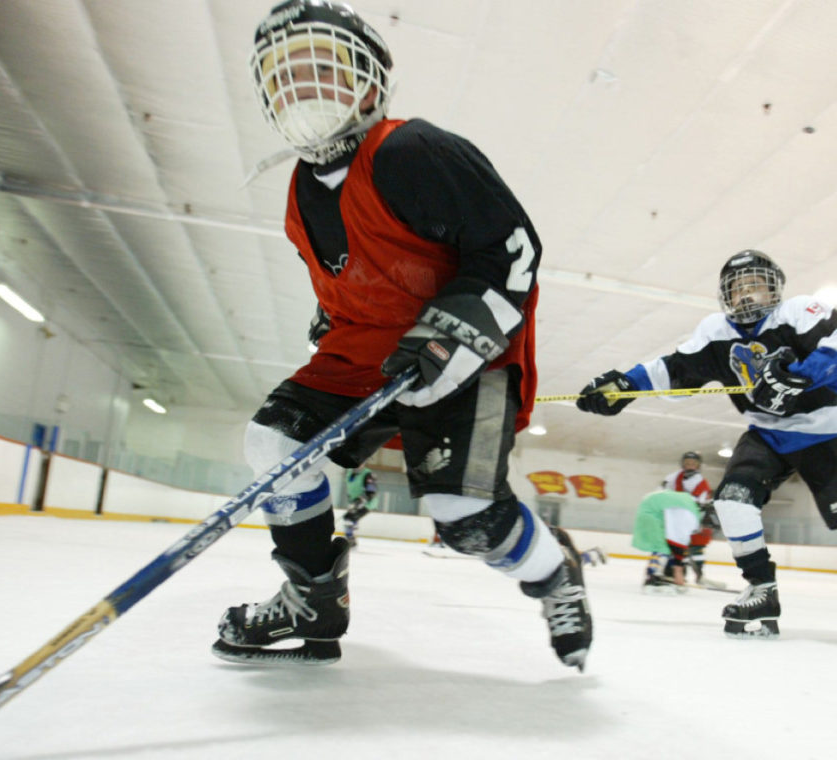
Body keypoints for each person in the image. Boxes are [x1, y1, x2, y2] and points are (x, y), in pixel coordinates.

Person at [212, 0, 591, 671]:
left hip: (470, 355)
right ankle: (311, 600)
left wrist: (450, 336)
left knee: (465, 518)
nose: (305, 86)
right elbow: (355, 284)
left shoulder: (412, 151)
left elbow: (513, 251)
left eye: (323, 67)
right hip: (368, 352)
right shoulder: (300, 196)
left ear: (368, 81)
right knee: (275, 442)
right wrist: (329, 319)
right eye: (287, 73)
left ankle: (554, 573)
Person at [575, 249, 837, 646]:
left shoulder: (799, 312)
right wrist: (624, 386)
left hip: (824, 433)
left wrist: (796, 376)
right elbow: (674, 368)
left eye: (755, 286)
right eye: (738, 289)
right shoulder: (715, 331)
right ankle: (761, 591)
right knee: (732, 501)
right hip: (767, 433)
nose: (746, 295)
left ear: (774, 287)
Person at [657, 451, 714, 585]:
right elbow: (661, 489)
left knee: (696, 547)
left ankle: (698, 575)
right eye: (687, 463)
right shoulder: (674, 477)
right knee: (676, 546)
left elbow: (700, 501)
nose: (690, 466)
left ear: (698, 465)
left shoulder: (700, 481)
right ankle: (672, 573)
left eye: (693, 464)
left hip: (693, 518)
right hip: (676, 518)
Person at [633, 488, 703, 594]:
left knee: (665, 547)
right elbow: (678, 541)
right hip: (651, 514)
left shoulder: (688, 502)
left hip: (651, 510)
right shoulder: (690, 512)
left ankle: (662, 575)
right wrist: (678, 571)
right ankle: (652, 577)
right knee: (662, 548)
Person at [342, 464, 377, 547]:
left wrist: (360, 501)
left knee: (349, 518)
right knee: (348, 518)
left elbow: (371, 492)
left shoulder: (368, 474)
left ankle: (351, 539)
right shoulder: (349, 472)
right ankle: (351, 534)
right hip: (353, 502)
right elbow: (350, 488)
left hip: (367, 503)